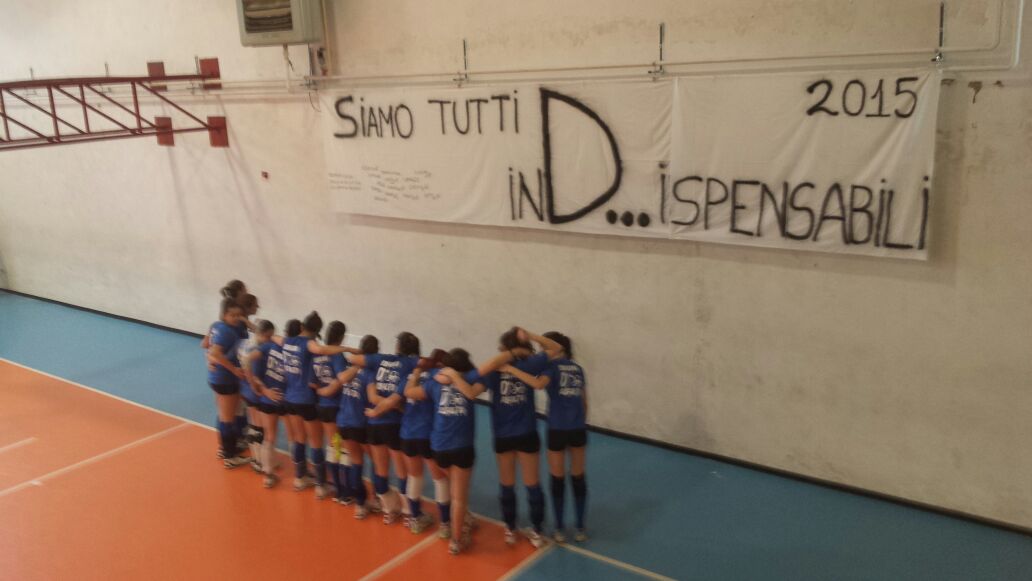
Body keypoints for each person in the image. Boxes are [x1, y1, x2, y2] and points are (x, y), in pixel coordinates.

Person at [477, 327, 562, 547]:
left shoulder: (495, 369)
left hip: (503, 434)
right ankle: (536, 530)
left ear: (504, 348)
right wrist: (530, 336)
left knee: (507, 484)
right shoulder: (530, 364)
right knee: (532, 484)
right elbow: (556, 348)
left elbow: (477, 378)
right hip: (526, 432)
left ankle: (510, 529)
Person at [500, 331, 588, 542]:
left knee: (558, 479)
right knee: (578, 478)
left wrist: (511, 369)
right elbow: (585, 402)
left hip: (557, 428)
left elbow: (538, 384)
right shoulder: (578, 369)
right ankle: (580, 528)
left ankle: (559, 529)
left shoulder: (551, 367)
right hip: (578, 428)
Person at [405, 348, 480, 555]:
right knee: (459, 496)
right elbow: (481, 375)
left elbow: (409, 392)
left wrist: (417, 373)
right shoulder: (470, 380)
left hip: (439, 447)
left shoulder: (434, 383)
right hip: (462, 446)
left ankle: (462, 519)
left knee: (454, 490)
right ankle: (456, 540)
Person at [348, 332, 421, 525]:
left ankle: (389, 510)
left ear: (398, 347)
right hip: (394, 424)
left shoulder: (380, 360)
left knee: (381, 471)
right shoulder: (410, 364)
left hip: (374, 426)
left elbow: (354, 360)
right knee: (402, 472)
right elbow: (429, 364)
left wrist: (377, 409)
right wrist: (393, 406)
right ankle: (408, 513)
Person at [281, 312, 357, 497]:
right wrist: (347, 350)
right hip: (309, 400)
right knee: (321, 443)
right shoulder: (316, 348)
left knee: (300, 438)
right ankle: (322, 485)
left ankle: (300, 477)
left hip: (290, 397)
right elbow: (324, 355)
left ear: (302, 326)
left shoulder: (288, 341)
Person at [317, 334, 379, 519]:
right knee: (375, 461)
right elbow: (372, 398)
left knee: (351, 459)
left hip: (342, 421)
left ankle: (355, 502)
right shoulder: (370, 373)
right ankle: (374, 498)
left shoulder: (347, 370)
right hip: (359, 423)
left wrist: (322, 391)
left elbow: (337, 383)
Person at [400, 349, 450, 534]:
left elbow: (398, 399)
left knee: (414, 476)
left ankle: (415, 518)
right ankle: (445, 523)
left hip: (407, 433)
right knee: (440, 479)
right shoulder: (438, 377)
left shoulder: (410, 375)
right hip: (427, 434)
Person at [206, 298, 250, 468]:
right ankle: (230, 456)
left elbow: (206, 346)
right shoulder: (226, 332)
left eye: (239, 315)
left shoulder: (217, 326)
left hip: (216, 377)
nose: (236, 318)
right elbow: (215, 352)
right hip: (225, 379)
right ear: (224, 314)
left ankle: (224, 449)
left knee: (224, 415)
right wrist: (234, 369)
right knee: (228, 418)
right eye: (233, 315)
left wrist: (210, 360)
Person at [310, 321, 349, 501]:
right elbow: (341, 379)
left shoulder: (318, 353)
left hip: (322, 406)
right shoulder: (337, 355)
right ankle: (341, 488)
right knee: (338, 446)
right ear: (341, 337)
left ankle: (333, 483)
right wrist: (330, 390)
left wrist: (321, 391)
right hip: (335, 406)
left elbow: (312, 383)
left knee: (332, 444)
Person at [247, 319, 287, 488]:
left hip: (268, 399)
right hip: (283, 397)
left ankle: (268, 474)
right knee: (291, 436)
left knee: (269, 437)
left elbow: (250, 367)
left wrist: (262, 390)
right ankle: (300, 473)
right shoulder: (280, 347)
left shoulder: (262, 348)